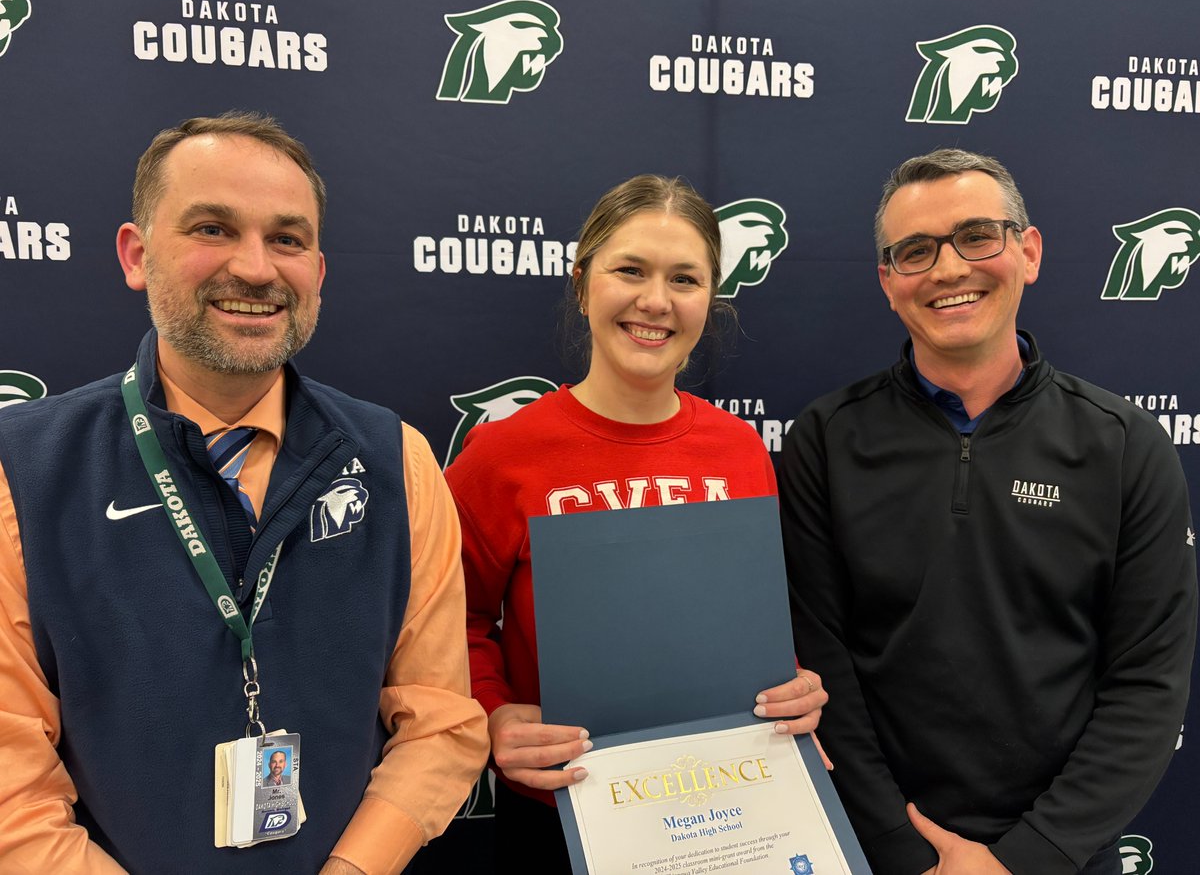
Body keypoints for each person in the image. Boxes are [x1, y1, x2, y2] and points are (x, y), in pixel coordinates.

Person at [0, 112, 489, 874]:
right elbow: (9, 781)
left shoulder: (396, 460)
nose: (257, 269)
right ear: (137, 255)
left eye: (287, 239)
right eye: (213, 229)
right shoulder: (22, 470)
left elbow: (443, 724)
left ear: (318, 273)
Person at [780, 148, 1197, 875]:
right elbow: (824, 670)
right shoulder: (825, 439)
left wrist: (1024, 862)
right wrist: (906, 852)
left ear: (1028, 252)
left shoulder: (1125, 445)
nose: (947, 270)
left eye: (978, 237)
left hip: (1059, 857)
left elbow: (1148, 686)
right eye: (915, 252)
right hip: (874, 850)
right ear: (888, 282)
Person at [444, 174, 828, 871]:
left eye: (685, 278)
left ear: (710, 301)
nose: (656, 300)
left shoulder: (741, 450)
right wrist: (495, 713)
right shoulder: (501, 454)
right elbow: (450, 621)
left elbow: (748, 624)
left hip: (730, 815)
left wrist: (793, 684)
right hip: (565, 813)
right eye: (630, 270)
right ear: (583, 282)